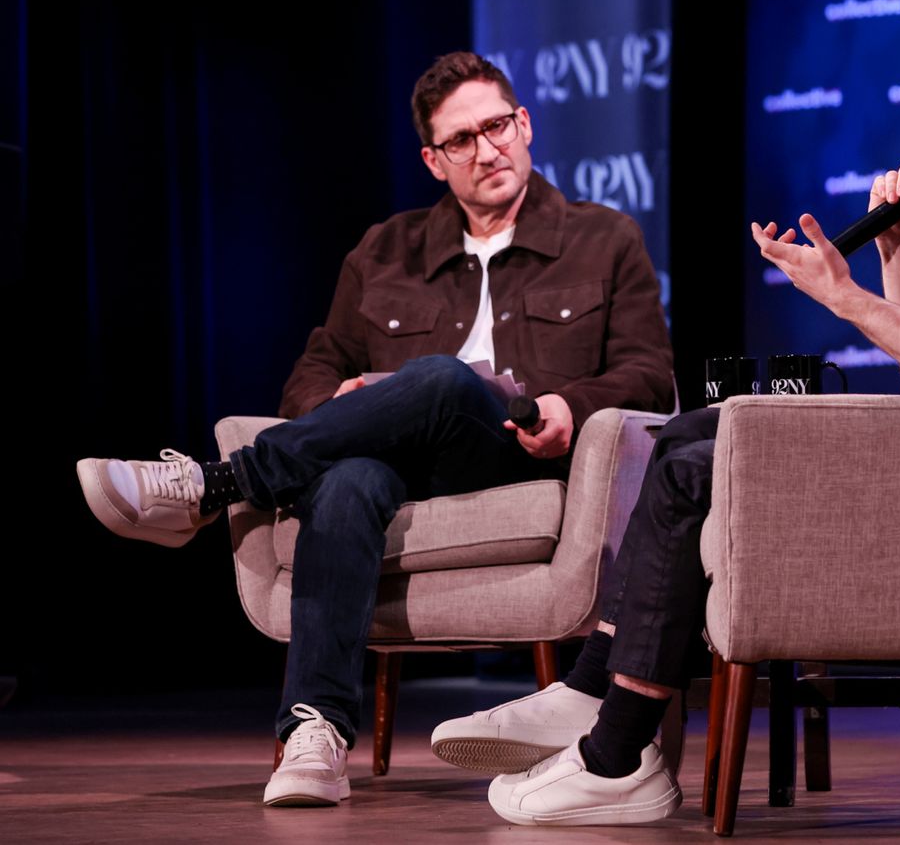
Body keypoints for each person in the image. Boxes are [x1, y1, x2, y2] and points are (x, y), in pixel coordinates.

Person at [429, 0, 900, 828]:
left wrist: (840, 294)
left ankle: (617, 746)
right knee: (694, 437)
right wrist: (895, 253)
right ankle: (601, 703)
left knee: (703, 451)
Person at [75, 52, 674, 807]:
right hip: (395, 468)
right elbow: (309, 379)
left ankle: (212, 485)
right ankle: (314, 735)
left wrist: (571, 407)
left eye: (496, 126)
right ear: (433, 159)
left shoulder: (603, 238)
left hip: (512, 455)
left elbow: (650, 374)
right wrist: (347, 395)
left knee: (442, 378)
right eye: (462, 140)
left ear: (525, 125)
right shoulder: (384, 251)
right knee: (348, 481)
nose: (486, 150)